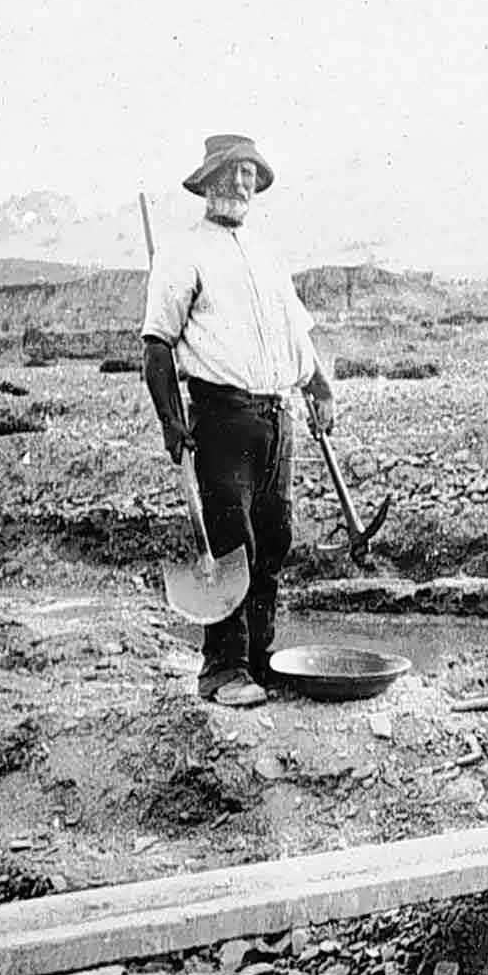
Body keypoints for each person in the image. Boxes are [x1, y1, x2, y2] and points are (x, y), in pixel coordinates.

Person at [141, 134, 335, 708]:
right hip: (222, 417)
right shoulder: (183, 252)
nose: (241, 183)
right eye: (230, 173)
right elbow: (156, 345)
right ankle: (222, 671)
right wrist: (171, 423)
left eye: (249, 174)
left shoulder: (267, 255)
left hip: (277, 416)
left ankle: (258, 660)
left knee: (275, 539)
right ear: (207, 183)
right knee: (232, 544)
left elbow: (297, 334)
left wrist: (318, 385)